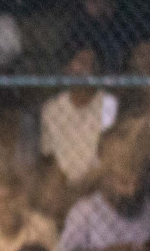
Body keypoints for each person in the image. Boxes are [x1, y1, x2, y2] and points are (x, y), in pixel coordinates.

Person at [56, 125, 150, 251]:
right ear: (108, 176)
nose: (131, 191)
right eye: (123, 182)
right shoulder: (86, 211)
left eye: (136, 183)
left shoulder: (147, 209)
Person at [40, 43, 118, 192]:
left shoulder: (109, 104)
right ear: (67, 68)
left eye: (92, 64)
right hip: (61, 186)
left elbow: (107, 155)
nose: (87, 69)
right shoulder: (52, 108)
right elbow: (49, 156)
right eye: (81, 62)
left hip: (97, 185)